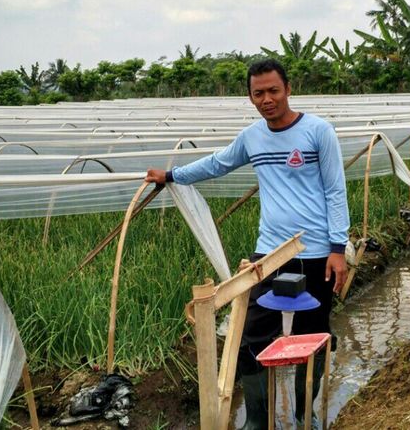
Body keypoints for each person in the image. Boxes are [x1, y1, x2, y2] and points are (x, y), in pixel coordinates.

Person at [145, 59, 349, 429]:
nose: (267, 99)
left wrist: (338, 249)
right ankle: (257, 420)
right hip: (268, 255)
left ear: (288, 89)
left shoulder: (319, 132)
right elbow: (217, 164)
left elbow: (336, 190)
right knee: (252, 334)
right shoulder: (252, 137)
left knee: (313, 334)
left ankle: (307, 417)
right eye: (259, 93)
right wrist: (172, 175)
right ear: (250, 97)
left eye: (274, 90)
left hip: (315, 252)